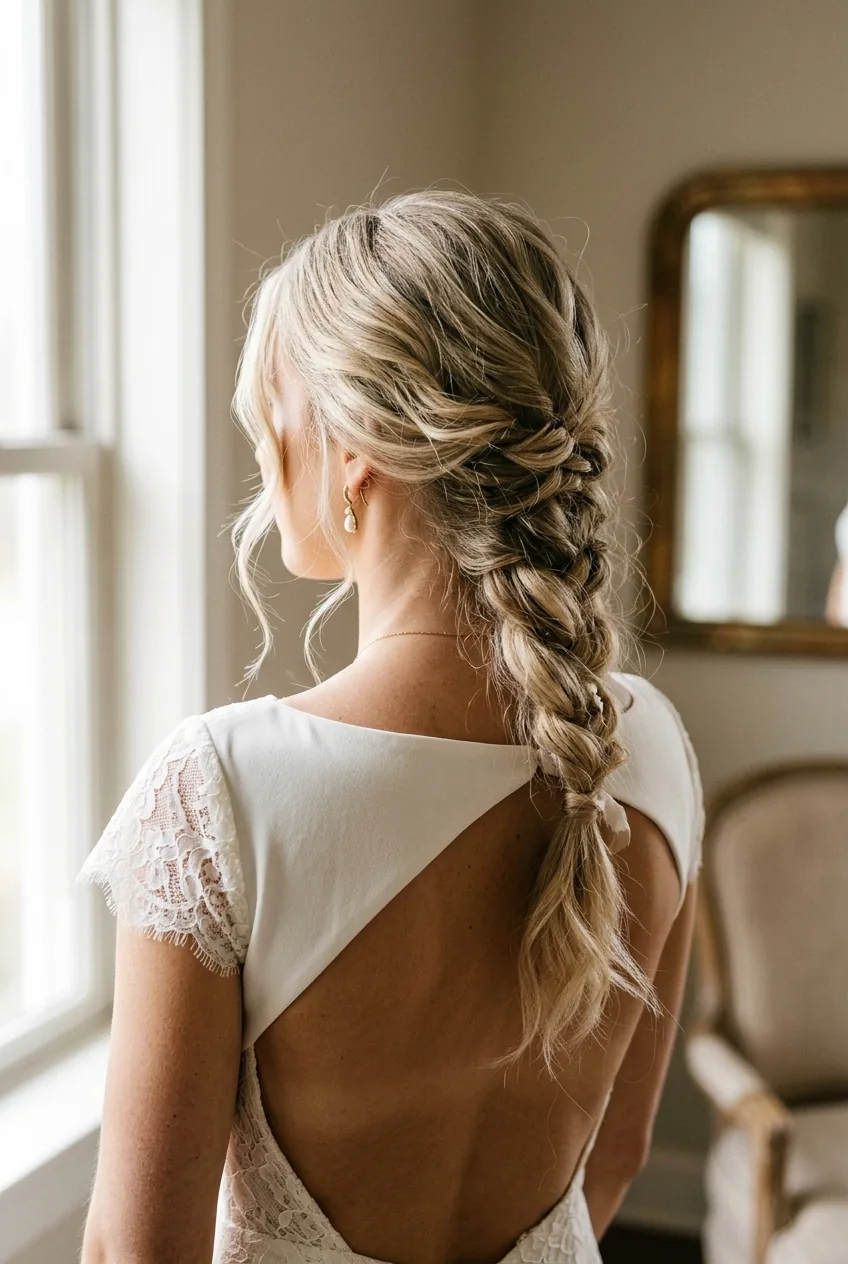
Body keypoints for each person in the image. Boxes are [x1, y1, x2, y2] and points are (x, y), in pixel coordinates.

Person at [77, 190, 703, 1264]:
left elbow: (136, 1254)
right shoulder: (643, 745)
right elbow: (617, 1156)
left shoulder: (222, 790)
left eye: (274, 409)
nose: (264, 448)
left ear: (357, 447)